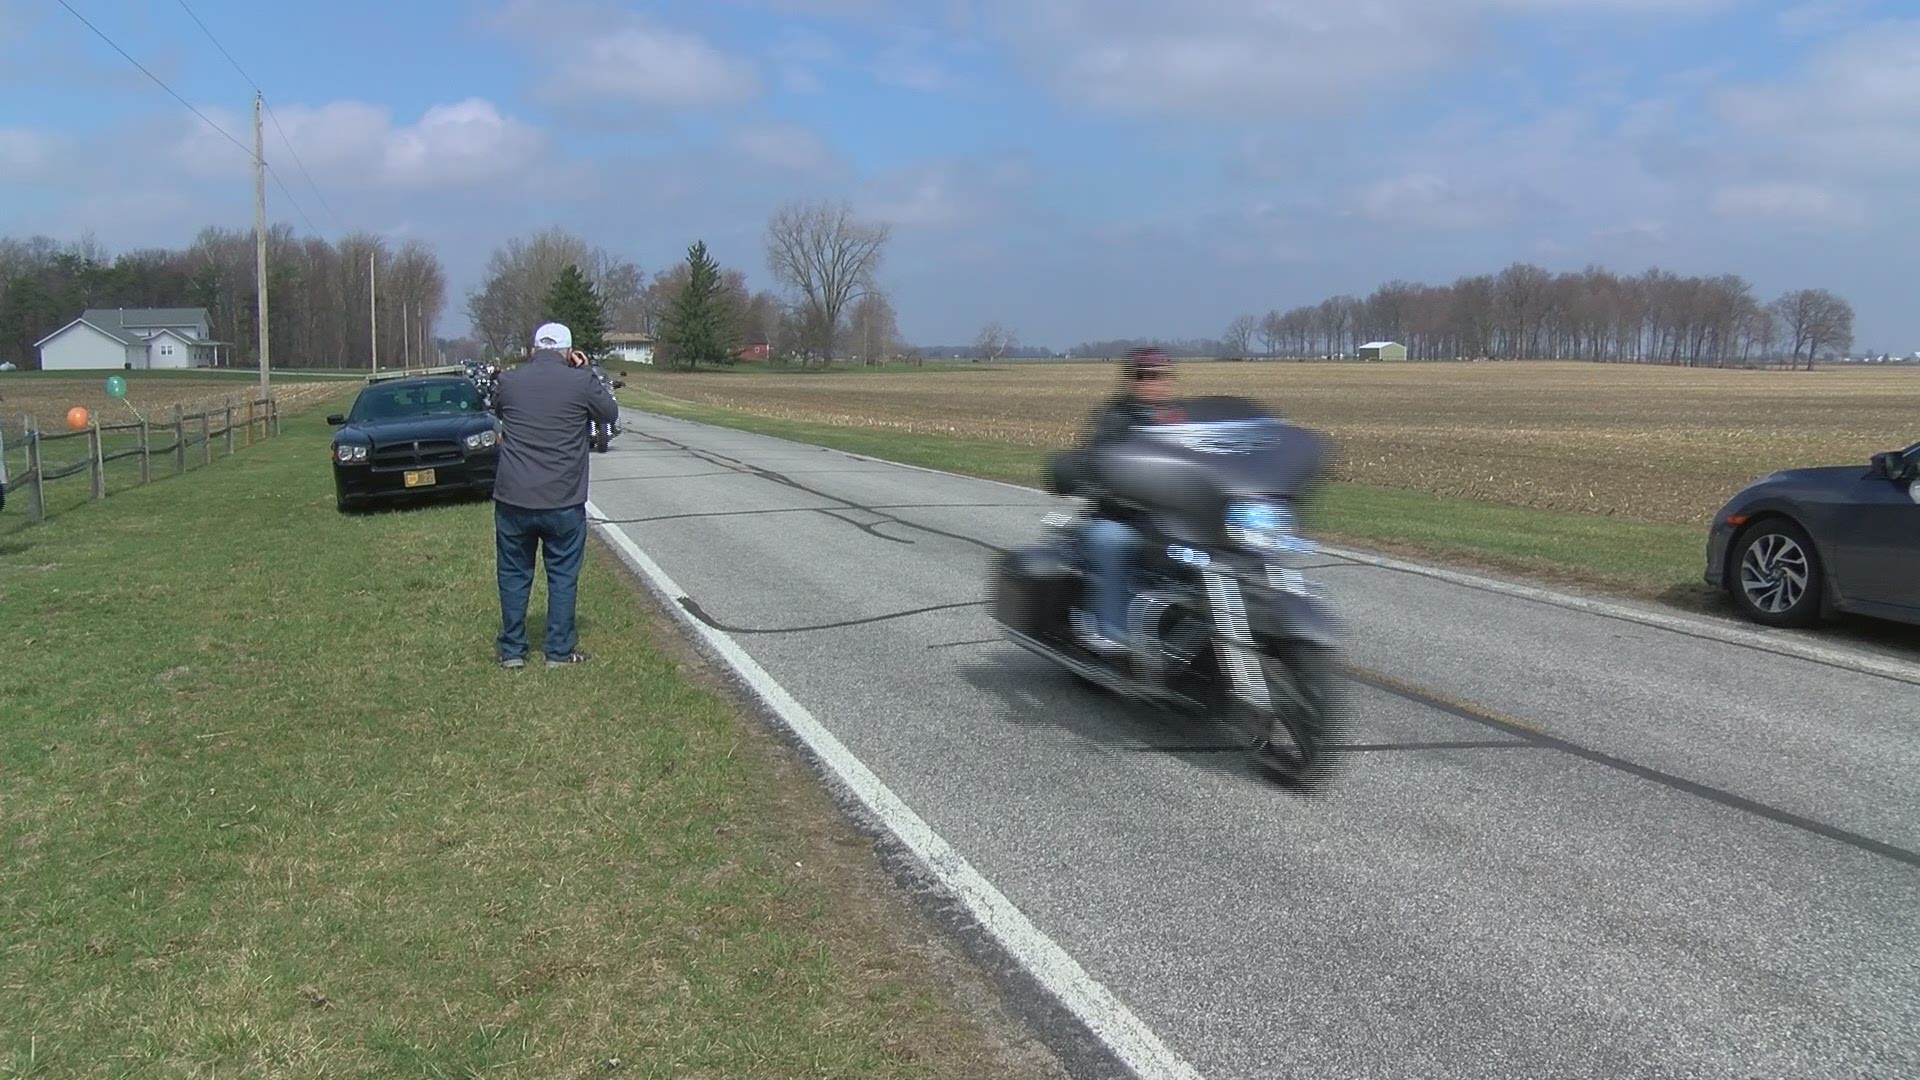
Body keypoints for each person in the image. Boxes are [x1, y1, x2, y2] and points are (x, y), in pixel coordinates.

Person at [489, 321, 620, 669]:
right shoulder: (581, 382)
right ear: (567, 352)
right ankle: (558, 652)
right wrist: (587, 370)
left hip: (514, 496)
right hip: (562, 498)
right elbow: (609, 414)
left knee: (514, 572)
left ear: (533, 350)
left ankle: (513, 650)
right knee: (562, 574)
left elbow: (500, 411)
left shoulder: (509, 380)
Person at [1074, 347, 1186, 658]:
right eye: (1144, 375)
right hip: (1121, 516)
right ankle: (1111, 632)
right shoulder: (1114, 418)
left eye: (1160, 374)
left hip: (1175, 519)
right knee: (1110, 540)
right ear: (1131, 380)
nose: (1153, 381)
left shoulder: (1184, 419)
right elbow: (1094, 462)